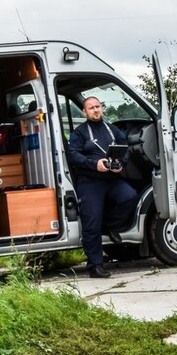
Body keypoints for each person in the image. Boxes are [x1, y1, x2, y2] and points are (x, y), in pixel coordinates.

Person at [66, 96, 138, 278]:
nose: (95, 110)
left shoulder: (112, 129)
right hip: (90, 181)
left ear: (102, 108)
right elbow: (73, 155)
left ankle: (109, 225)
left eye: (98, 106)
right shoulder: (80, 133)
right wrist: (94, 163)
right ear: (84, 112)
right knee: (91, 222)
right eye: (91, 108)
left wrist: (122, 163)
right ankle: (95, 266)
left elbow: (125, 148)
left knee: (129, 197)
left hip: (112, 179)